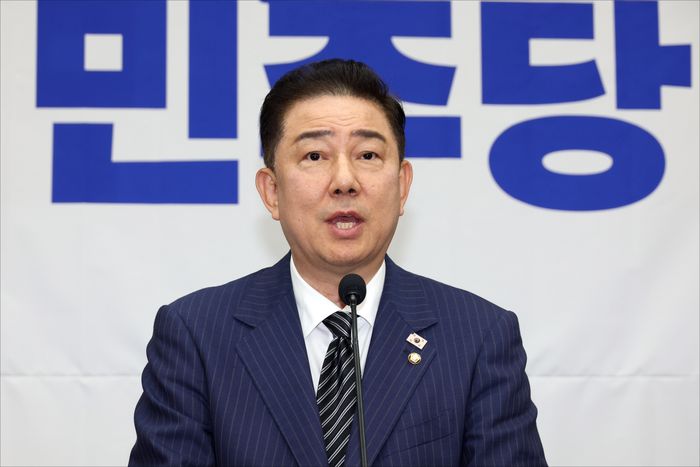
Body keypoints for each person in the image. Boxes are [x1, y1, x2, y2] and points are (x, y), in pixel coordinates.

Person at [129, 59, 546, 466]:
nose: (345, 181)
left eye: (368, 155)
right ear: (272, 191)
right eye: (315, 156)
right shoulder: (196, 336)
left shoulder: (479, 338)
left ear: (402, 186)